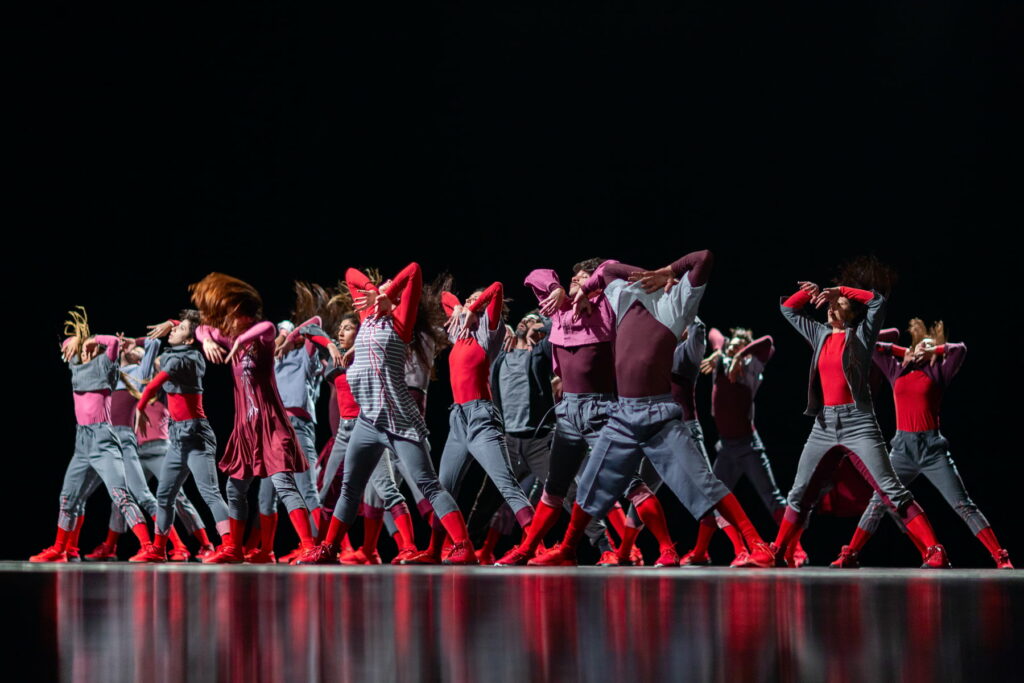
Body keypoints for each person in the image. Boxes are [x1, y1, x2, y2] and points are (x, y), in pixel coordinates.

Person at [529, 250, 777, 568]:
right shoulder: (620, 292)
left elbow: (704, 257)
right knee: (590, 482)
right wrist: (577, 289)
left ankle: (758, 546)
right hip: (622, 415)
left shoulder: (678, 301)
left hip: (658, 414)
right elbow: (607, 269)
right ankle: (567, 549)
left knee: (704, 482)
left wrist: (668, 270)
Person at [771, 258, 951, 569]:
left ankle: (934, 550)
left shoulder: (862, 336)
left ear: (850, 311)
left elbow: (876, 302)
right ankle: (777, 550)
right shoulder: (819, 334)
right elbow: (788, 309)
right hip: (823, 424)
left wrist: (842, 290)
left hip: (858, 423)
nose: (830, 306)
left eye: (837, 304)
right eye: (829, 303)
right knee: (800, 492)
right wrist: (812, 292)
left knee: (890, 489)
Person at [298, 263, 475, 565]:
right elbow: (351, 273)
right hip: (367, 420)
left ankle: (463, 545)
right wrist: (371, 291)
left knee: (428, 484)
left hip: (398, 418)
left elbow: (416, 271)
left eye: (391, 287)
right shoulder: (367, 317)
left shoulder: (400, 322)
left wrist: (389, 293)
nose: (386, 286)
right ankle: (328, 547)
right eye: (385, 285)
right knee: (350, 487)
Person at [830, 320, 1012, 569]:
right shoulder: (898, 370)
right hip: (902, 450)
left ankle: (1000, 556)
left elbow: (960, 349)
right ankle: (850, 554)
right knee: (878, 502)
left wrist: (934, 351)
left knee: (963, 504)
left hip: (932, 450)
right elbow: (871, 347)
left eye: (930, 346)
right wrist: (902, 352)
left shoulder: (938, 372)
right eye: (920, 345)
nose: (924, 348)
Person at [187, 273, 320, 564]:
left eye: (230, 314)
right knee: (235, 488)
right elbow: (201, 329)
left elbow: (268, 326)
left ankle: (309, 545)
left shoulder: (264, 338)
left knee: (284, 484)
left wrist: (237, 342)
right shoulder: (229, 338)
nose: (226, 321)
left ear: (239, 312)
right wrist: (209, 339)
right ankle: (234, 548)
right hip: (246, 428)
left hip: (271, 424)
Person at [402, 281, 535, 564]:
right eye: (469, 299)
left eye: (477, 300)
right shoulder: (459, 333)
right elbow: (446, 298)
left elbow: (498, 288)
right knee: (443, 486)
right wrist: (462, 309)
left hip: (481, 417)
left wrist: (473, 308)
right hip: (458, 419)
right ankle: (436, 550)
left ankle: (538, 547)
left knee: (506, 484)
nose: (470, 303)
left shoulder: (489, 330)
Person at [31, 307, 152, 563]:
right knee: (68, 496)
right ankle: (60, 549)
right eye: (82, 347)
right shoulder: (76, 365)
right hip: (82, 441)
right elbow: (66, 343)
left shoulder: (106, 364)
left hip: (103, 439)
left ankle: (148, 546)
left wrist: (90, 339)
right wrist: (75, 341)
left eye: (88, 347)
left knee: (120, 495)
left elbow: (112, 342)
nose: (84, 350)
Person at [678, 326, 807, 566]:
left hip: (749, 446)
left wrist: (739, 355)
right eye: (734, 343)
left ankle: (796, 550)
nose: (736, 346)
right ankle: (700, 551)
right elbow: (714, 333)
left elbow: (767, 340)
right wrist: (719, 351)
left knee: (773, 498)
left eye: (741, 345)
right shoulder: (720, 361)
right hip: (726, 449)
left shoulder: (751, 368)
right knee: (712, 499)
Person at [128, 310, 234, 562]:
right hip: (177, 437)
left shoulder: (190, 356)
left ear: (189, 339)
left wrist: (141, 408)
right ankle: (158, 548)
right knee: (164, 495)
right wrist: (171, 323)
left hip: (195, 433)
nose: (173, 331)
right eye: (176, 328)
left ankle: (229, 545)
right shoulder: (174, 353)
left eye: (180, 330)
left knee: (209, 492)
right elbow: (161, 347)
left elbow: (154, 384)